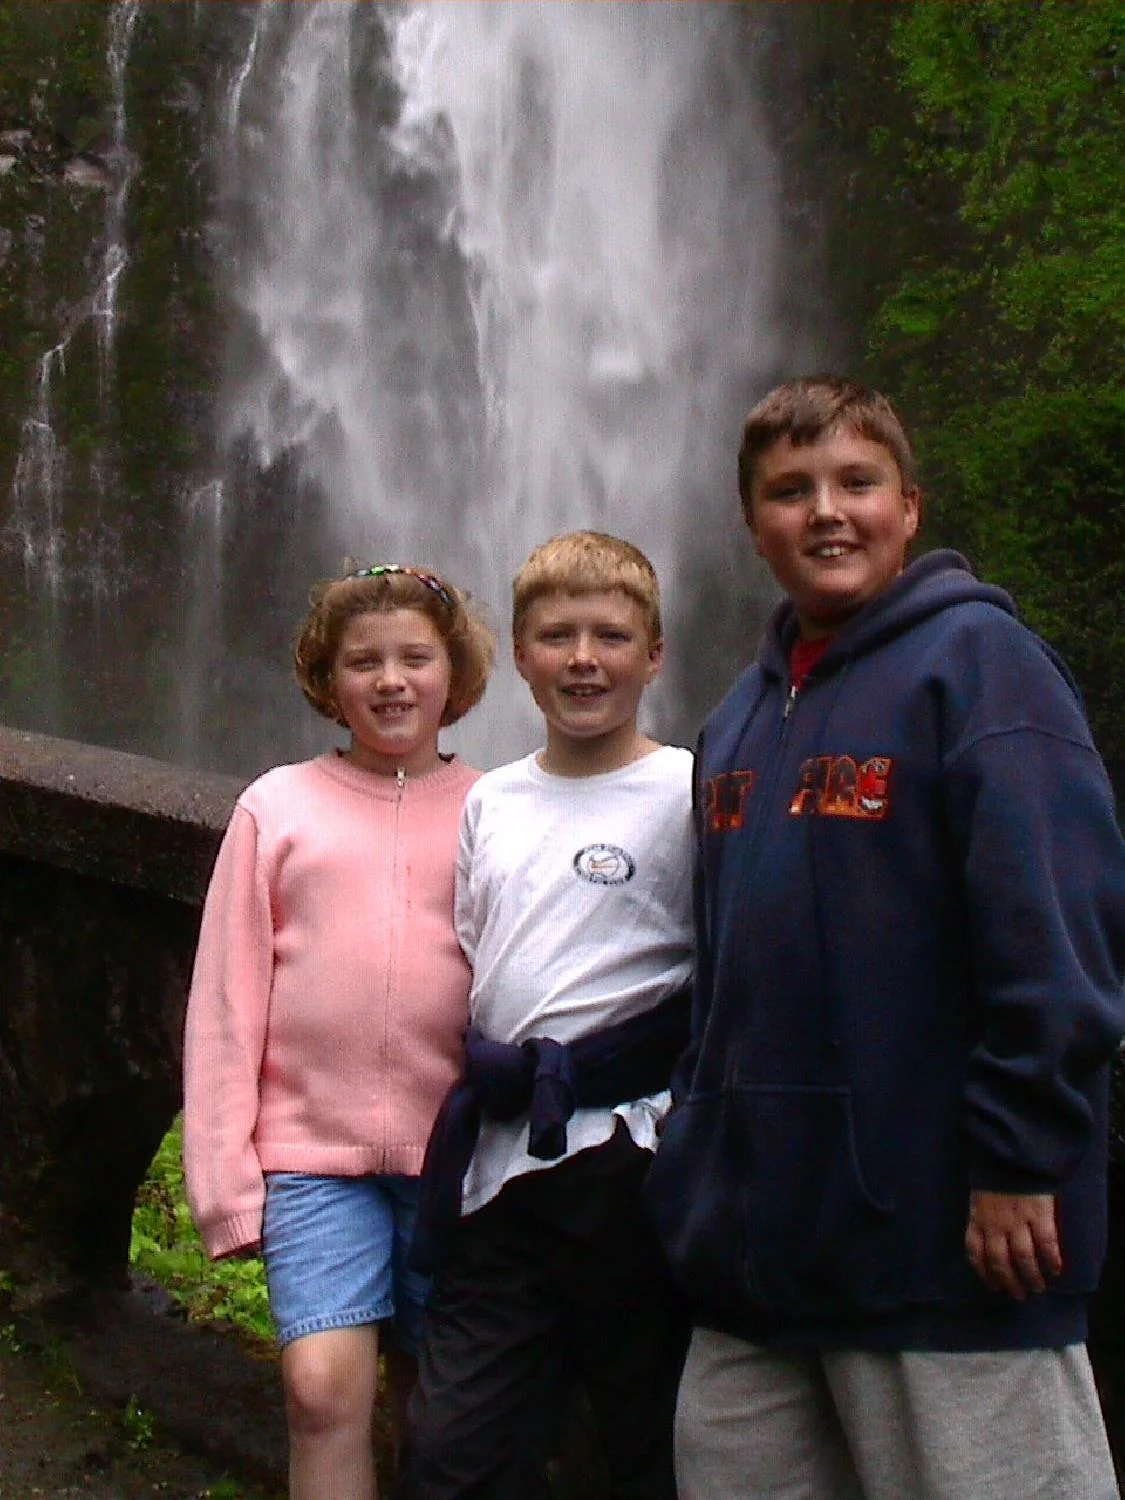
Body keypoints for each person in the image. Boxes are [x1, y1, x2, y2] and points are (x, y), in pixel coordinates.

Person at [646, 374, 1125, 1500]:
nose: (826, 512)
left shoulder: (983, 669)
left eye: (856, 483)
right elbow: (718, 975)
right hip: (752, 1265)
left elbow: (1056, 936)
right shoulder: (735, 719)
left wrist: (1022, 1160)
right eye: (789, 490)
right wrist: (693, 1166)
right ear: (751, 524)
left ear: (909, 507)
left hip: (944, 1256)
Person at [183, 563, 495, 1500]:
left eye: (414, 659)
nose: (390, 681)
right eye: (364, 662)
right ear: (327, 677)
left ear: (455, 673)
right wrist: (224, 1180)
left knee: (441, 1409)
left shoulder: (497, 809)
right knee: (320, 1392)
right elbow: (227, 1002)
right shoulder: (275, 806)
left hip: (457, 1162)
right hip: (312, 1159)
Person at [402, 531, 694, 1499]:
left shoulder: (689, 790)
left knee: (650, 1440)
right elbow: (482, 955)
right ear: (520, 657)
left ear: (654, 655)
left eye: (611, 636)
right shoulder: (492, 802)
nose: (583, 659)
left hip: (632, 1161)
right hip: (502, 1166)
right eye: (557, 637)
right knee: (450, 1452)